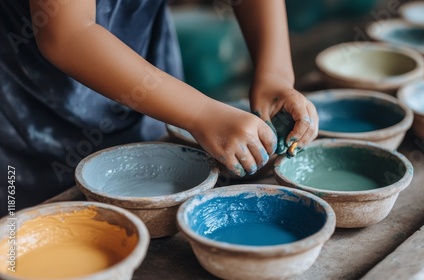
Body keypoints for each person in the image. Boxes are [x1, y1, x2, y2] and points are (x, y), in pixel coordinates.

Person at [0, 0, 318, 215]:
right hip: (30, 104)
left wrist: (274, 76)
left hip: (147, 77)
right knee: (33, 235)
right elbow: (66, 34)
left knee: (155, 187)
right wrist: (201, 114)